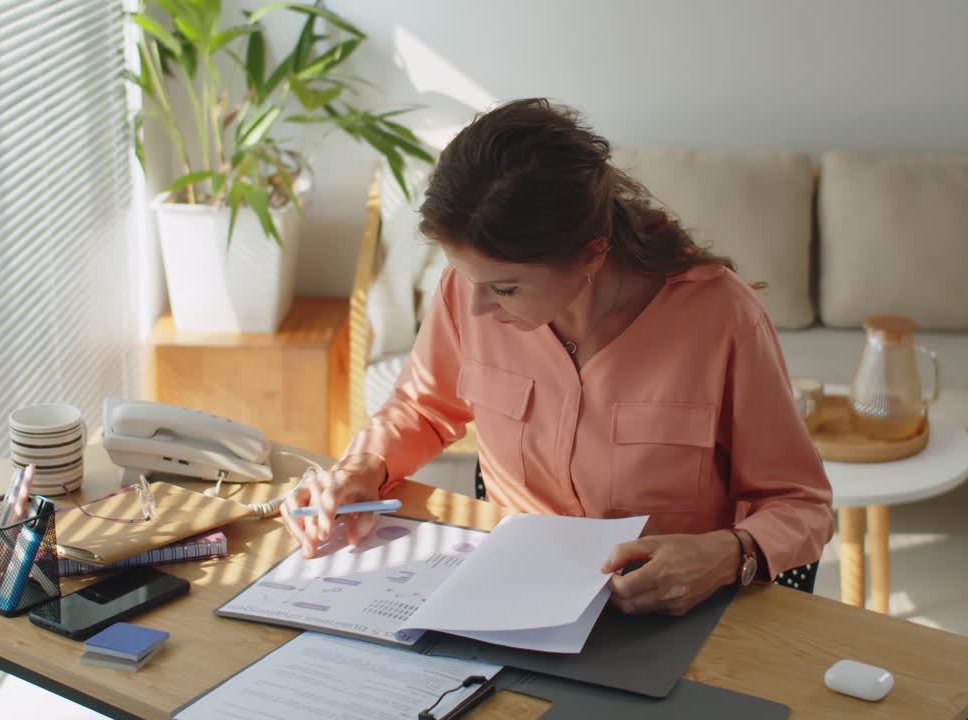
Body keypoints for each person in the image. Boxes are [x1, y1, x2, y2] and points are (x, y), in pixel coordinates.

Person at [283, 98, 834, 616]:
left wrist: (729, 552)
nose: (473, 306)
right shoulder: (469, 287)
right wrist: (362, 468)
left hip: (665, 615)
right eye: (465, 277)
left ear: (593, 251)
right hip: (509, 599)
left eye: (505, 288)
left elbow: (800, 503)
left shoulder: (720, 317)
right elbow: (423, 408)